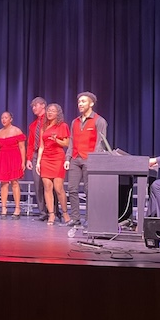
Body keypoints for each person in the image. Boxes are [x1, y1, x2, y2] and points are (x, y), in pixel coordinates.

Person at [63, 91, 108, 226]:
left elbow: (100, 142)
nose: (80, 104)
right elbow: (71, 141)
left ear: (91, 104)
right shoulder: (75, 122)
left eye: (83, 101)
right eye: (79, 102)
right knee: (72, 189)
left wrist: (94, 160)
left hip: (90, 159)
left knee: (90, 190)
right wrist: (67, 158)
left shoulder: (99, 120)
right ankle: (75, 218)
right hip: (75, 158)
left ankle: (90, 218)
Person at [36, 103, 71, 225]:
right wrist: (38, 162)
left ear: (58, 113)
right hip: (46, 158)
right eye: (48, 110)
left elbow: (67, 143)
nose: (49, 112)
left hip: (57, 157)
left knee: (58, 188)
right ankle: (51, 214)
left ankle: (65, 213)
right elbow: (41, 145)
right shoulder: (44, 126)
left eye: (53, 111)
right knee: (47, 187)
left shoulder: (63, 126)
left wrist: (56, 140)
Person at [0, 112, 26, 219]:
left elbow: (22, 148)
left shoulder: (16, 131)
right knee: (3, 183)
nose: (3, 119)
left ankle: (17, 208)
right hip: (3, 159)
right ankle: (4, 208)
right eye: (2, 117)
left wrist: (23, 162)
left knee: (14, 182)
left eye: (6, 117)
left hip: (14, 158)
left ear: (11, 119)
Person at [26, 96, 48, 220]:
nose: (34, 108)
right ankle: (42, 212)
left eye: (36, 105)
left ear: (43, 106)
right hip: (35, 154)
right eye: (33, 106)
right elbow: (30, 143)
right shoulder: (33, 125)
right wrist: (29, 158)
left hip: (48, 154)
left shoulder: (50, 120)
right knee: (38, 183)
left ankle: (54, 211)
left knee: (50, 184)